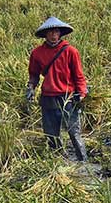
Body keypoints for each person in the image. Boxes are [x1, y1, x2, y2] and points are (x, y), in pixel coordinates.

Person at [26, 16, 88, 161]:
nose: (54, 35)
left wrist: (82, 93)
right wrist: (31, 87)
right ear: (46, 34)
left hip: (67, 98)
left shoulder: (71, 51)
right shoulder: (37, 53)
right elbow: (33, 74)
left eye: (56, 32)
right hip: (48, 97)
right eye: (51, 32)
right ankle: (57, 162)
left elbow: (79, 75)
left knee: (74, 132)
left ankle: (83, 161)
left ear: (60, 33)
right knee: (51, 134)